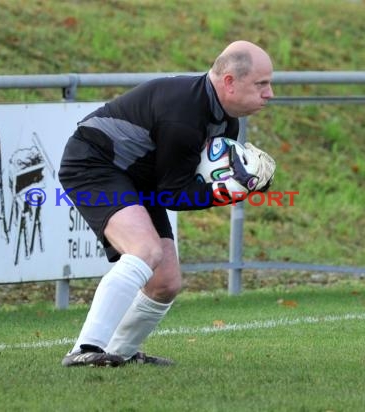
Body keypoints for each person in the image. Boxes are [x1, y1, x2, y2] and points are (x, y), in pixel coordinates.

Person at [58, 40, 276, 367]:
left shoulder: (224, 118)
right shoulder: (185, 116)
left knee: (165, 282)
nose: (269, 93)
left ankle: (123, 352)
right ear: (229, 82)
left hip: (139, 178)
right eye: (261, 84)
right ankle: (85, 349)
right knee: (145, 251)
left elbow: (177, 182)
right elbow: (174, 194)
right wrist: (232, 191)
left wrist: (243, 184)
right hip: (93, 163)